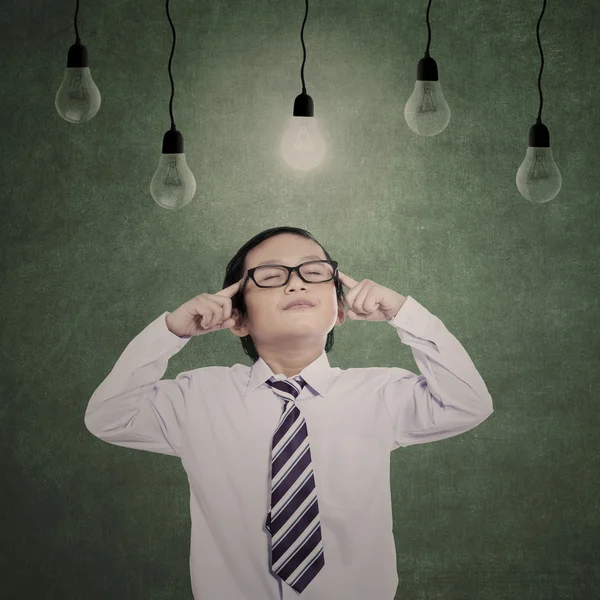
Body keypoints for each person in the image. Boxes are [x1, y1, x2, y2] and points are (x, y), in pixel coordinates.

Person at [85, 226, 494, 600]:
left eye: (313, 271)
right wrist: (170, 332)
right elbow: (109, 416)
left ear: (340, 310)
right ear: (237, 318)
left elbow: (467, 402)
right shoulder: (199, 397)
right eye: (270, 275)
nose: (296, 280)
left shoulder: (379, 393)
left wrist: (404, 313)